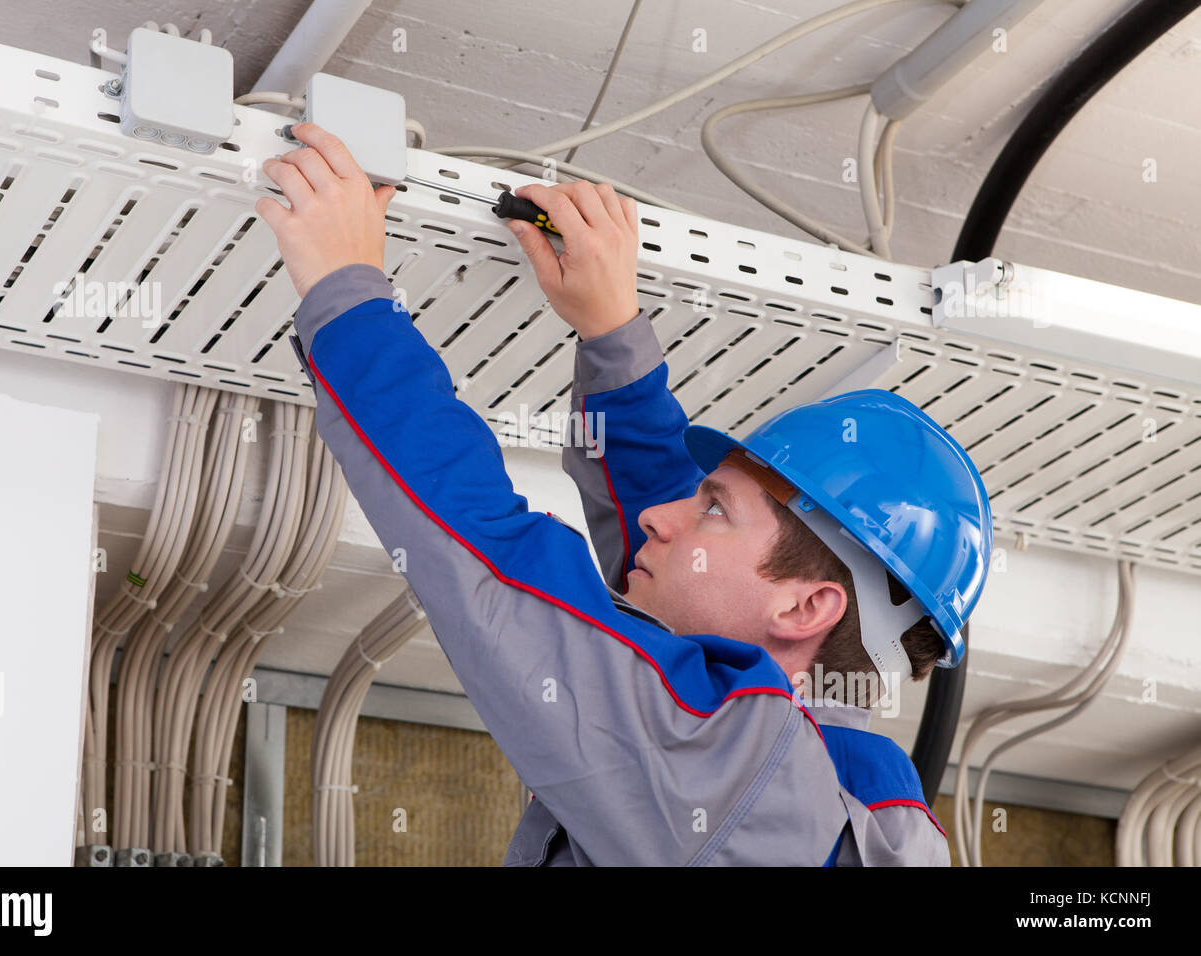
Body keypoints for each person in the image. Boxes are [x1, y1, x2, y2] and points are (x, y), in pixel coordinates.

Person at [259, 123, 991, 866]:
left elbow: (495, 563)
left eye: (711, 509)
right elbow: (692, 585)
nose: (657, 517)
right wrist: (611, 333)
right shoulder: (844, 801)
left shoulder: (740, 784)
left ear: (806, 609)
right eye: (704, 497)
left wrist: (347, 296)